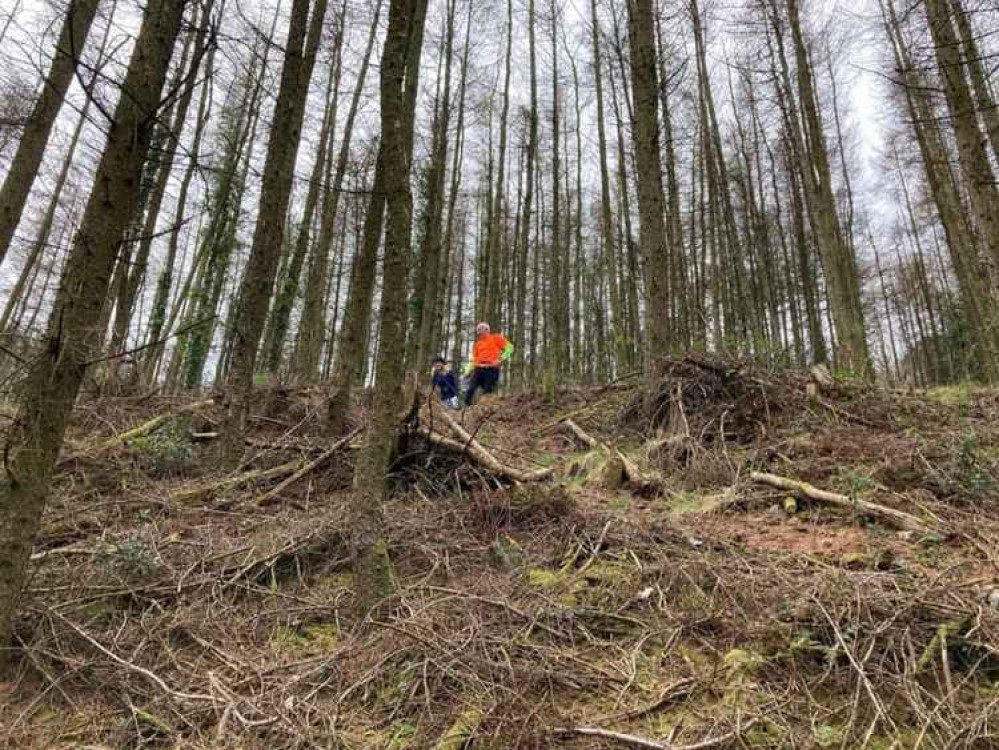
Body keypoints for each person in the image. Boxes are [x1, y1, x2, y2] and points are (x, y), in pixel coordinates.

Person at [462, 322, 513, 406]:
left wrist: (500, 359)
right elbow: (474, 360)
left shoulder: (496, 338)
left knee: (487, 393)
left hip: (491, 369)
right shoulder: (477, 344)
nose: (478, 332)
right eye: (477, 330)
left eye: (479, 330)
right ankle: (466, 409)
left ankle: (485, 410)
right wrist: (466, 370)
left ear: (487, 330)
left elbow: (510, 348)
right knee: (470, 389)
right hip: (479, 369)